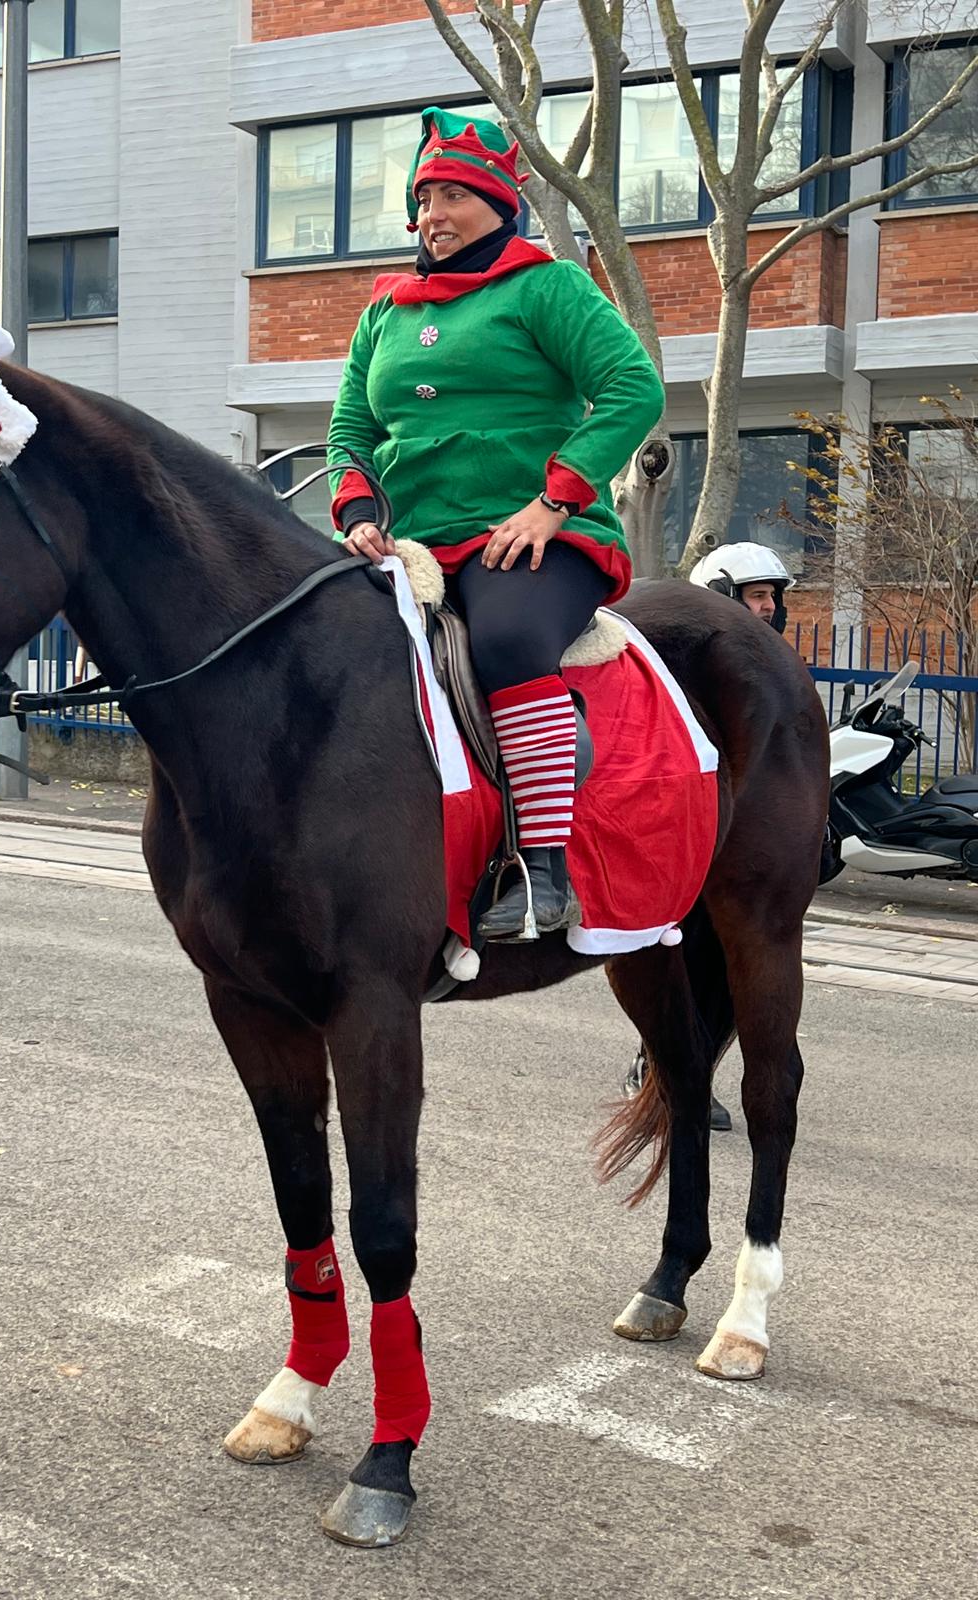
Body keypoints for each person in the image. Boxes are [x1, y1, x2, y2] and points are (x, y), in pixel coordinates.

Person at [327, 105, 665, 940]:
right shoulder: (386, 310)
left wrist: (554, 503)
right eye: (423, 197)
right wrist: (360, 508)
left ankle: (539, 872)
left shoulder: (546, 285)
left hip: (534, 535)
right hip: (413, 542)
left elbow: (633, 390)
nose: (431, 214)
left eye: (451, 196)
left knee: (509, 639)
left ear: (498, 205)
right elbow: (349, 429)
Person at [623, 541, 804, 1131]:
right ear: (721, 597)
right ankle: (654, 1066)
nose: (770, 609)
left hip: (739, 850)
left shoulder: (772, 670)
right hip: (684, 847)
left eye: (774, 597)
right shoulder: (671, 673)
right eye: (757, 596)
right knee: (677, 959)